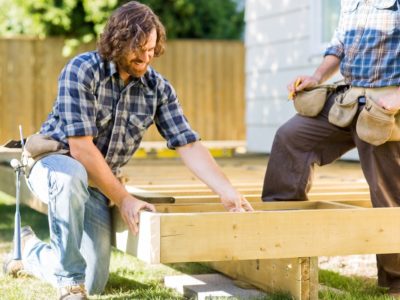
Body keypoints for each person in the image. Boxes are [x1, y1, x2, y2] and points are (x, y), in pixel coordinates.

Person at [2, 1, 253, 299]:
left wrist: (226, 190)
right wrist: (124, 199)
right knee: (70, 181)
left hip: (99, 181)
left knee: (94, 281)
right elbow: (81, 149)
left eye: (151, 50)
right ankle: (69, 285)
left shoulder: (157, 88)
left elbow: (189, 143)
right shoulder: (82, 71)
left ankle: (29, 249)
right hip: (54, 163)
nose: (146, 58)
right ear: (117, 41)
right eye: (139, 50)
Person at [262, 0, 400, 297]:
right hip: (347, 99)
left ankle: (397, 280)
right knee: (291, 138)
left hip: (384, 108)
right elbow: (339, 44)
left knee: (387, 191)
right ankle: (279, 244)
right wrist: (317, 77)